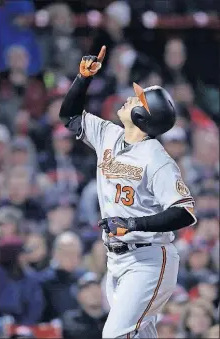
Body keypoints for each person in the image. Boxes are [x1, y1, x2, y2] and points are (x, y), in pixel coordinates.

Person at [59, 46, 197, 338]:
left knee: (115, 335)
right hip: (116, 259)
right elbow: (69, 117)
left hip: (148, 260)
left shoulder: (157, 159)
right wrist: (83, 79)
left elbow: (184, 211)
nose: (130, 97)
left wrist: (134, 224)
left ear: (142, 117)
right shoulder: (109, 134)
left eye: (138, 99)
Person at [62, 272, 108, 339]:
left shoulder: (111, 318)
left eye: (97, 287)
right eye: (87, 289)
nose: (93, 292)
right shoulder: (71, 320)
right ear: (78, 296)